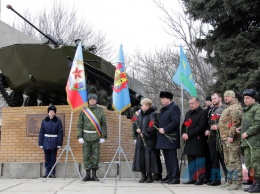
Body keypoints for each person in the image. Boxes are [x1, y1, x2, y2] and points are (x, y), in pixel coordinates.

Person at [77, 93, 107, 181]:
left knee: (95, 156)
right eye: (91, 99)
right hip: (85, 137)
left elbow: (104, 125)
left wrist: (103, 137)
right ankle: (87, 175)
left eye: (94, 99)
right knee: (86, 156)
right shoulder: (84, 111)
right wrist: (79, 136)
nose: (92, 100)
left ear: (96, 100)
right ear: (88, 101)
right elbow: (79, 125)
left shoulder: (100, 111)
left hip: (96, 137)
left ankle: (94, 175)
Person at [218, 90, 243, 190]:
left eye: (227, 96)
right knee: (227, 161)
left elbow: (235, 123)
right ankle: (230, 180)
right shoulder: (228, 107)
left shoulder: (236, 107)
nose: (225, 98)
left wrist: (231, 135)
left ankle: (237, 182)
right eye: (224, 96)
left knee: (234, 160)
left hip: (232, 139)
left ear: (233, 97)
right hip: (225, 138)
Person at [181, 97, 208, 185]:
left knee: (199, 160)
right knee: (191, 160)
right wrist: (183, 133)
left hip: (198, 140)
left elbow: (201, 126)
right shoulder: (188, 112)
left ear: (197, 103)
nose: (190, 105)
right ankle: (192, 178)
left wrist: (189, 134)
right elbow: (184, 125)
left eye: (192, 103)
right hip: (188, 140)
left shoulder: (203, 113)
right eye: (190, 104)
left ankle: (200, 178)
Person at [132, 98, 159, 183]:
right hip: (140, 139)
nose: (141, 107)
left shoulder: (153, 114)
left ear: (148, 105)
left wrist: (145, 132)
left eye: (143, 105)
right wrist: (137, 130)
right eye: (141, 105)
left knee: (148, 158)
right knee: (141, 157)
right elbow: (136, 124)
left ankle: (149, 176)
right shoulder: (140, 114)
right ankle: (143, 175)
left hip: (149, 140)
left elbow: (154, 126)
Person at [156, 91, 181, 184]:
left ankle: (175, 176)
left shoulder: (174, 108)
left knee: (172, 157)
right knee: (167, 158)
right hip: (164, 137)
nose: (161, 100)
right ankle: (170, 175)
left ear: (169, 99)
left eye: (163, 98)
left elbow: (175, 122)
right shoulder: (164, 109)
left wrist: (165, 129)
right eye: (161, 98)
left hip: (170, 137)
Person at [239, 89, 260, 193]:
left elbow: (258, 123)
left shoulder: (257, 108)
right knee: (248, 163)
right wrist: (240, 128)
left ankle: (258, 184)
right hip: (246, 142)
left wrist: (247, 133)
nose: (245, 100)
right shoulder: (246, 110)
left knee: (256, 163)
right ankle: (253, 182)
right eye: (244, 98)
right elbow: (246, 123)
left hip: (255, 142)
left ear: (254, 98)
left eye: (248, 98)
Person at [205, 93, 228, 186]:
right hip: (212, 136)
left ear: (220, 98)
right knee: (214, 159)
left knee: (223, 159)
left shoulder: (225, 108)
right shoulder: (211, 110)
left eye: (215, 98)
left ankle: (228, 178)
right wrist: (207, 129)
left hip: (221, 136)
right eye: (212, 99)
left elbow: (229, 122)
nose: (213, 100)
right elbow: (208, 122)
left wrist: (218, 126)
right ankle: (216, 179)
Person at [38, 105, 63, 178]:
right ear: (48, 113)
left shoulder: (58, 122)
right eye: (50, 111)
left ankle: (52, 172)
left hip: (54, 141)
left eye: (53, 112)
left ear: (55, 113)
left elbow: (60, 133)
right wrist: (40, 143)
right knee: (47, 158)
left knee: (53, 158)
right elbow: (41, 132)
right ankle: (47, 172)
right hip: (46, 141)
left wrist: (59, 144)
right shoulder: (44, 121)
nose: (51, 113)